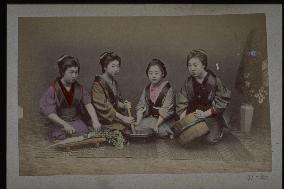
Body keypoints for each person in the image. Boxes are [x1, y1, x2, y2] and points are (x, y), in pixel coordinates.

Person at [40, 55, 101, 141]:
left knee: (85, 133)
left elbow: (88, 104)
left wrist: (95, 120)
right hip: (60, 121)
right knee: (60, 135)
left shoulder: (79, 88)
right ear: (62, 72)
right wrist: (65, 124)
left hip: (75, 120)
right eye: (71, 72)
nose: (74, 75)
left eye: (76, 72)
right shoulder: (54, 89)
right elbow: (50, 113)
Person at [176, 49, 231, 144]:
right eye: (189, 65)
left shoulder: (214, 81)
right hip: (193, 113)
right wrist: (184, 121)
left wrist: (205, 114)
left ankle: (219, 128)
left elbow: (222, 101)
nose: (192, 69)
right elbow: (182, 101)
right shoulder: (188, 83)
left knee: (209, 139)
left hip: (210, 115)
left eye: (195, 65)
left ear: (204, 65)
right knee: (188, 137)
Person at [91, 51, 135, 131]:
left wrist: (124, 105)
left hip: (113, 115)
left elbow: (115, 101)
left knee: (130, 125)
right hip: (102, 117)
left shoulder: (113, 82)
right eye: (113, 66)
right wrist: (123, 118)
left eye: (118, 66)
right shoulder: (97, 84)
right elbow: (104, 106)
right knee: (123, 129)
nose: (116, 69)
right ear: (104, 67)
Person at [135, 58, 175, 139]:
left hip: (165, 120)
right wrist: (138, 121)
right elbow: (141, 105)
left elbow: (167, 110)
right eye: (150, 73)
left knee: (160, 130)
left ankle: (164, 131)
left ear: (162, 74)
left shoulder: (168, 89)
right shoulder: (147, 89)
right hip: (151, 118)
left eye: (156, 73)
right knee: (138, 127)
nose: (153, 76)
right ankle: (157, 130)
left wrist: (157, 125)